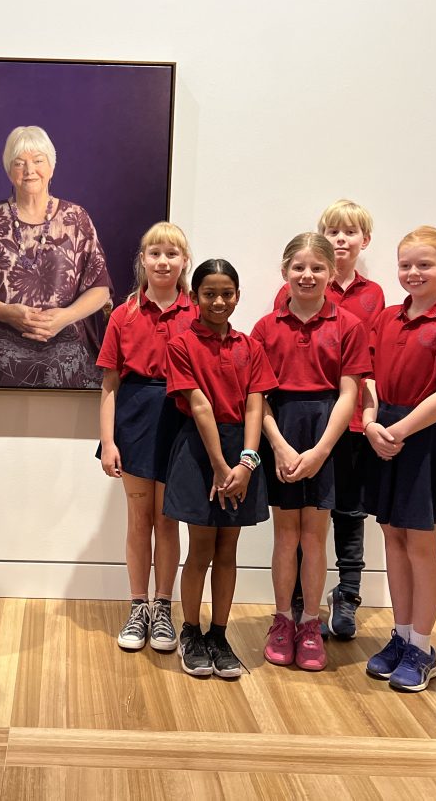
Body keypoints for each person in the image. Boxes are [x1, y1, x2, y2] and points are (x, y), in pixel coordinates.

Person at [361, 226, 436, 692]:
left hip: (425, 438)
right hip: (384, 433)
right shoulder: (387, 318)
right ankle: (401, 633)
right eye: (406, 264)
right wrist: (371, 422)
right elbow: (367, 377)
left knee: (420, 545)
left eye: (424, 264)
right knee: (392, 537)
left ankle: (423, 648)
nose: (413, 273)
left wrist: (400, 430)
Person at [254, 234, 370, 671]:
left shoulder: (349, 325)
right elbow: (258, 397)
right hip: (280, 428)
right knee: (286, 536)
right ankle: (281, 619)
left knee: (314, 537)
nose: (307, 275)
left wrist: (322, 450)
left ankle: (309, 622)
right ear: (285, 271)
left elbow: (349, 393)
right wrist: (280, 446)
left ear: (331, 272)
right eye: (299, 267)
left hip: (327, 433)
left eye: (317, 268)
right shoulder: (266, 328)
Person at [274, 200, 385, 639]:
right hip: (294, 425)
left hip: (349, 422)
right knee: (297, 524)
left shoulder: (370, 298)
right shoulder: (286, 303)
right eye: (333, 232)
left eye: (349, 233)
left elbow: (366, 367)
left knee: (348, 513)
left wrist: (368, 416)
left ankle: (347, 597)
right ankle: (295, 610)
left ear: (364, 241)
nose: (341, 240)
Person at [163, 259, 276, 679]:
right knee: (201, 549)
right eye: (209, 293)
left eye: (226, 293)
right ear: (194, 298)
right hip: (200, 451)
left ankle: (219, 634)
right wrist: (219, 464)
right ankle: (191, 632)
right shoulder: (180, 345)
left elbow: (254, 404)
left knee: (229, 549)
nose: (218, 300)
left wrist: (246, 462)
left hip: (241, 453)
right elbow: (199, 405)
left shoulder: (250, 347)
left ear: (238, 296)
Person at [96, 222, 195, 653]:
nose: (163, 261)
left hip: (182, 422)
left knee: (167, 519)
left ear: (184, 261)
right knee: (139, 518)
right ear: (143, 260)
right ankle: (138, 604)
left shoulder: (197, 313)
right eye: (155, 253)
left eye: (172, 254)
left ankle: (163, 607)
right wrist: (108, 441)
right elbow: (109, 384)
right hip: (134, 421)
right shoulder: (124, 313)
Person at [0, 125, 113, 388]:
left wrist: (65, 316)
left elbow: (101, 290)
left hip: (65, 331)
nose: (29, 170)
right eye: (19, 163)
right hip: (2, 332)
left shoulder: (76, 217)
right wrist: (8, 313)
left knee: (65, 362)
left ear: (52, 167)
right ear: (9, 171)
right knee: (4, 362)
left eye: (38, 161)